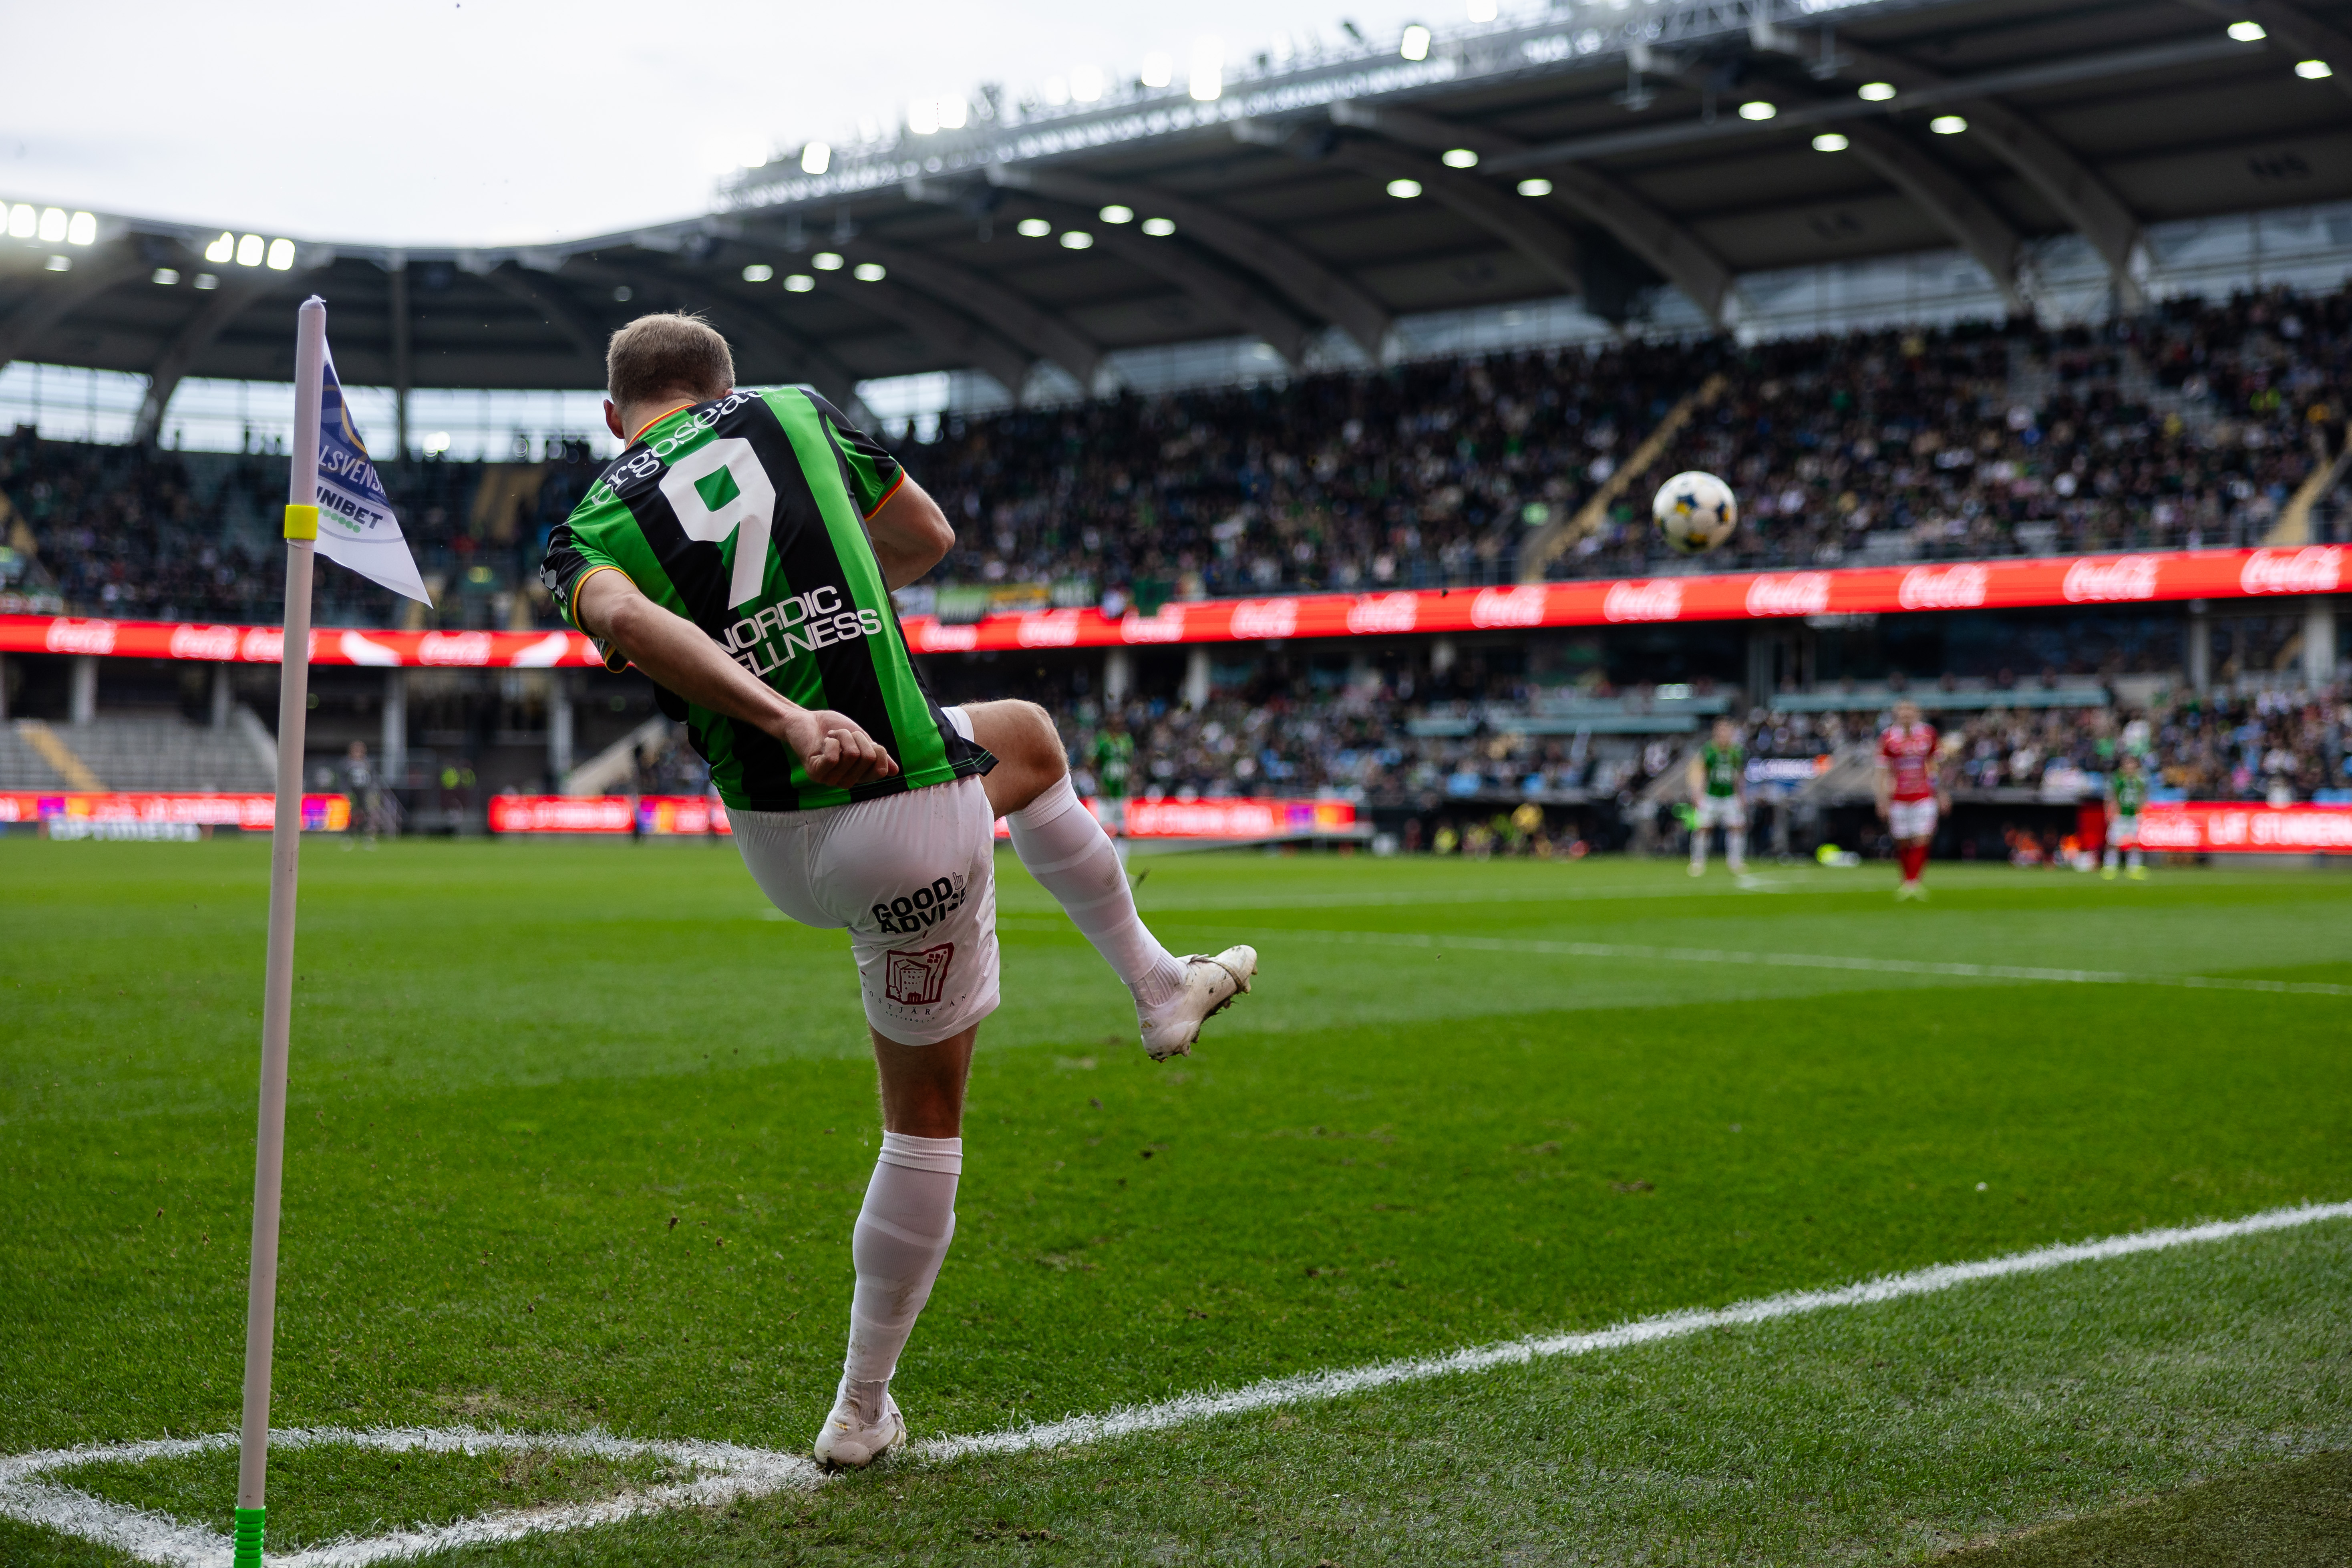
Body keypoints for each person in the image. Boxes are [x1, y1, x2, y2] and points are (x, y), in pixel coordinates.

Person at [539, 314, 1258, 1471]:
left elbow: (624, 619)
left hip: (778, 837)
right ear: (723, 382)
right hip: (903, 810)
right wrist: (835, 615)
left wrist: (779, 707)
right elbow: (927, 534)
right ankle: (861, 1406)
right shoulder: (789, 410)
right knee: (923, 1123)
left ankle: (1161, 979)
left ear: (614, 415)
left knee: (1022, 737)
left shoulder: (585, 518)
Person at [1875, 698, 1947, 901]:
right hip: (1898, 797)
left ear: (1917, 713)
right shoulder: (1888, 737)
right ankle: (1907, 880)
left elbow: (1934, 766)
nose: (1906, 714)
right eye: (1902, 711)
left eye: (1909, 711)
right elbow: (1882, 771)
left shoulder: (1928, 734)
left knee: (1922, 837)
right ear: (1896, 714)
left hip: (1924, 795)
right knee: (1902, 841)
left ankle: (1914, 882)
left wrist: (1941, 793)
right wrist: (1881, 799)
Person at [1685, 717, 1747, 877]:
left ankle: (1735, 861)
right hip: (1711, 795)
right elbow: (1701, 772)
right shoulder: (1709, 750)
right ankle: (1698, 861)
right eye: (1721, 730)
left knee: (1737, 827)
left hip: (1729, 795)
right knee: (1703, 828)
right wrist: (1697, 794)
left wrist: (1741, 795)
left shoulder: (1737, 751)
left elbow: (1738, 775)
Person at [1091, 714, 1136, 865]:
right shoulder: (1101, 740)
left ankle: (1121, 868)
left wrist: (1130, 781)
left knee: (1123, 831)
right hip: (1106, 793)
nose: (1119, 725)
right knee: (1102, 831)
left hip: (1122, 793)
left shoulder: (1127, 740)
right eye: (1116, 722)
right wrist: (1099, 783)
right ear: (1109, 723)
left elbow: (1131, 762)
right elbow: (1091, 762)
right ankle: (1103, 866)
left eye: (1121, 722)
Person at [2103, 751, 2150, 880]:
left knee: (2134, 842)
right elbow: (2111, 796)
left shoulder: (2139, 779)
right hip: (2120, 814)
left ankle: (2134, 868)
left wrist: (2141, 809)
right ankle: (2110, 867)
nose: (2130, 766)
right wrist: (2110, 812)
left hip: (2133, 814)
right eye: (2128, 764)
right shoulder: (2117, 778)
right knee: (2113, 842)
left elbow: (2143, 795)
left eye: (2132, 764)